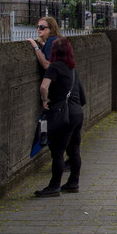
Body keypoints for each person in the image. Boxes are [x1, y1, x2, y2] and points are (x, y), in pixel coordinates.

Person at [35, 37, 86, 197]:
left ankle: (54, 186)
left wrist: (45, 100)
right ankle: (73, 182)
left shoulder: (55, 67)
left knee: (57, 152)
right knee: (74, 150)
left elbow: (44, 86)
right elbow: (83, 96)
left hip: (63, 115)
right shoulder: (72, 70)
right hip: (77, 113)